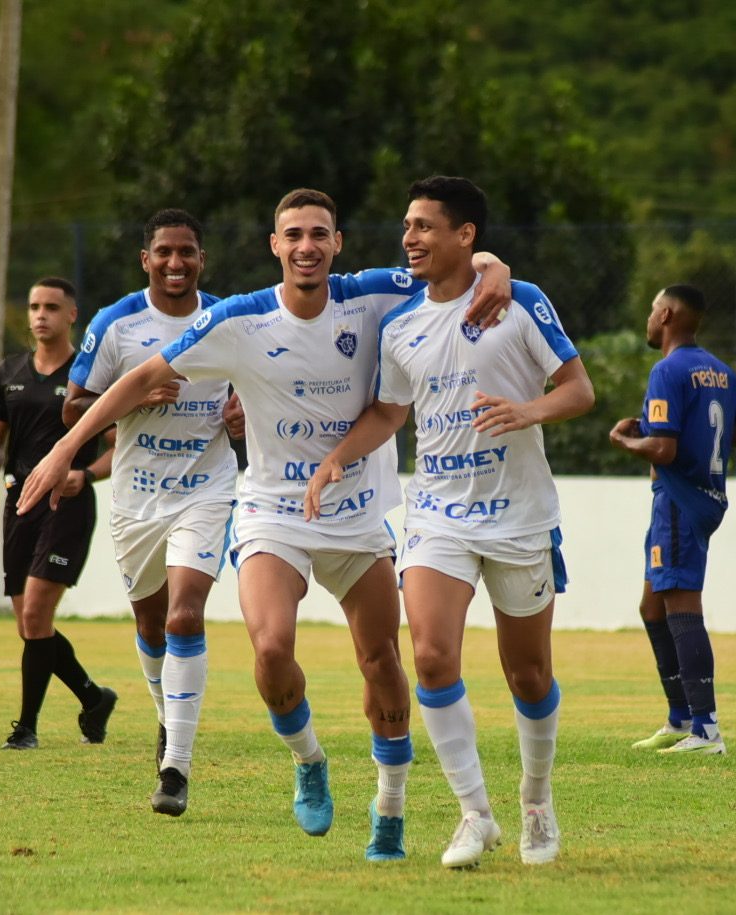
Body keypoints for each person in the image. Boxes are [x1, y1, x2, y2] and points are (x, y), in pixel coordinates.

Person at [15, 188, 510, 862]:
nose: (305, 245)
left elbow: (460, 264)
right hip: (273, 509)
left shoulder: (374, 293)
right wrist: (62, 450)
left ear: (336, 244)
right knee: (271, 649)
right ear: (273, 246)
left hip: (358, 511)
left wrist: (493, 262)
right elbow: (140, 381)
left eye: (318, 234)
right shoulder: (239, 318)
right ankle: (308, 759)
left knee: (380, 658)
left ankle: (389, 805)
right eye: (292, 235)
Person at [304, 177, 595, 868]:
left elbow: (579, 389)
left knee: (527, 672)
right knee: (430, 656)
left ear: (465, 236)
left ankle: (535, 801)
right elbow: (389, 411)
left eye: (426, 226)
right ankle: (474, 812)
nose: (410, 237)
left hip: (520, 514)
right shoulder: (399, 320)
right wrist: (334, 460)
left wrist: (528, 410)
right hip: (437, 513)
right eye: (407, 224)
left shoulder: (518, 300)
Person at [65, 209, 242, 817]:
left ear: (201, 258)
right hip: (136, 496)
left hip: (207, 489)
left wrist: (246, 412)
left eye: (186, 251)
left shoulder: (228, 318)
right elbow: (74, 409)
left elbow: (263, 385)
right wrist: (134, 395)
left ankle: (176, 769)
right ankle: (167, 717)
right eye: (164, 251)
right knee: (150, 623)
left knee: (185, 616)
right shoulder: (116, 324)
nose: (175, 262)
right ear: (146, 259)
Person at [608, 283, 736, 756]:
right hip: (708, 495)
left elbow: (662, 449)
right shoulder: (719, 370)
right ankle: (679, 719)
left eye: (653, 309)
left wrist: (623, 440)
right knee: (652, 606)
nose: (649, 318)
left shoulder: (667, 370)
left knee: (681, 606)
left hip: (678, 498)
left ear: (669, 314)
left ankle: (706, 729)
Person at [0, 276, 118, 751]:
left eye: (52, 307)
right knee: (29, 626)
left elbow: (119, 447)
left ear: (72, 315)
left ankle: (26, 728)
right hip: (21, 503)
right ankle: (93, 697)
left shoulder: (91, 374)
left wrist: (87, 474)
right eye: (35, 306)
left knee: (36, 614)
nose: (41, 315)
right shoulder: (10, 370)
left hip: (67, 506)